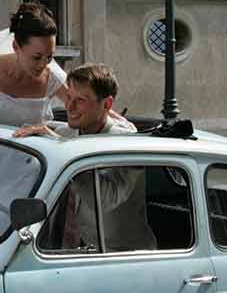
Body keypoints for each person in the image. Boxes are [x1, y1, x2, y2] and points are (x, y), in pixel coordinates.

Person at [16, 63, 155, 251]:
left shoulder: (126, 142)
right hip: (81, 250)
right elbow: (48, 129)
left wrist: (64, 150)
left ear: (106, 104)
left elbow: (107, 199)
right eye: (69, 97)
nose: (69, 107)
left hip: (126, 256)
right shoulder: (70, 132)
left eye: (80, 100)